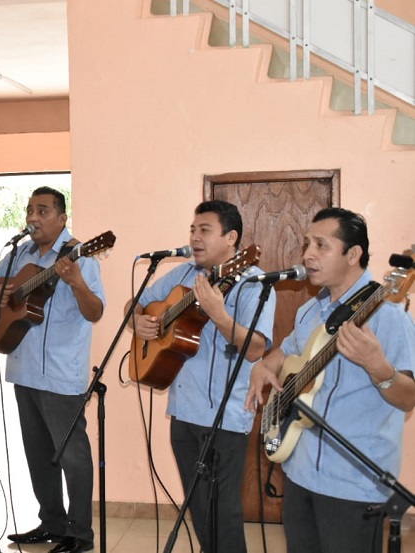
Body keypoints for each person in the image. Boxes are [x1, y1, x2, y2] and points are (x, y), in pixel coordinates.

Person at [245, 208, 415, 553]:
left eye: (321, 245)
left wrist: (377, 367)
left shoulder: (388, 316)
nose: (308, 254)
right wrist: (263, 366)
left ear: (353, 254)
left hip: (355, 482)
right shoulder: (310, 311)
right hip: (300, 471)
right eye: (308, 243)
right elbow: (286, 352)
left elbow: (408, 398)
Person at [126, 200, 276, 553]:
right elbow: (136, 303)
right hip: (183, 412)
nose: (194, 237)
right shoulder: (181, 275)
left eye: (204, 230)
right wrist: (137, 321)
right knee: (200, 511)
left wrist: (219, 314)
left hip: (226, 417)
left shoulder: (254, 283)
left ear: (231, 238)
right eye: (193, 230)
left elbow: (255, 349)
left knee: (224, 513)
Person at [0, 187, 105, 553]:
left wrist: (76, 282)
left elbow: (95, 312)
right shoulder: (21, 254)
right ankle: (51, 523)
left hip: (61, 375)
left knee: (72, 455)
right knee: (37, 453)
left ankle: (80, 534)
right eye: (30, 210)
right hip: (22, 368)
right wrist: (3, 291)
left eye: (43, 211)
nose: (33, 217)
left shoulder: (81, 258)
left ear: (62, 218)